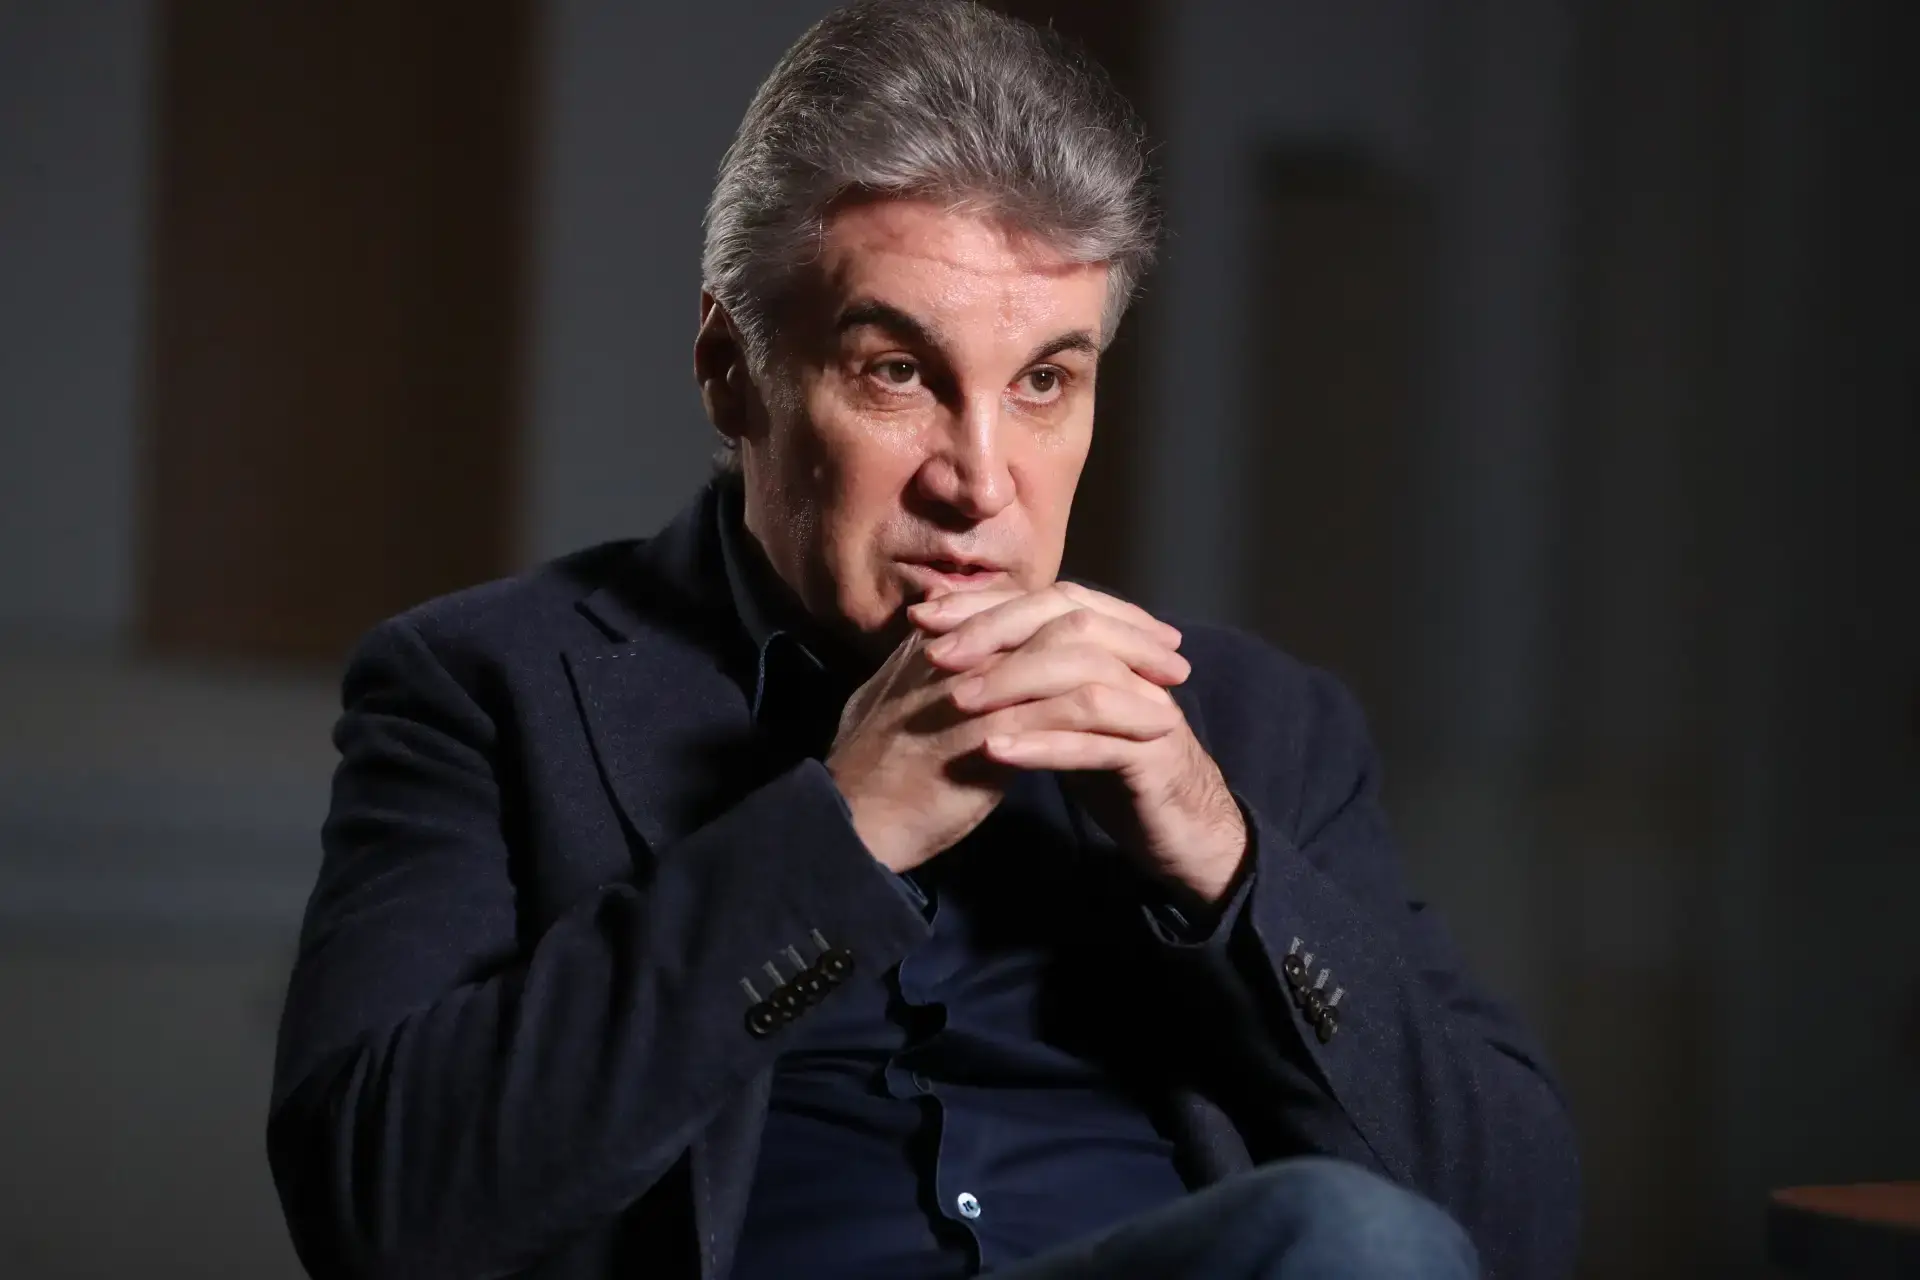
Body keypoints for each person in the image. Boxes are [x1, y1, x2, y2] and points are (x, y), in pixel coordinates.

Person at [267, 2, 1580, 1277]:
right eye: (898, 372)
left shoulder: (1255, 726)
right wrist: (840, 837)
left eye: (1045, 382)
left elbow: (1512, 1228)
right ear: (732, 369)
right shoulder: (486, 686)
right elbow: (381, 1216)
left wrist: (1221, 860)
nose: (981, 481)